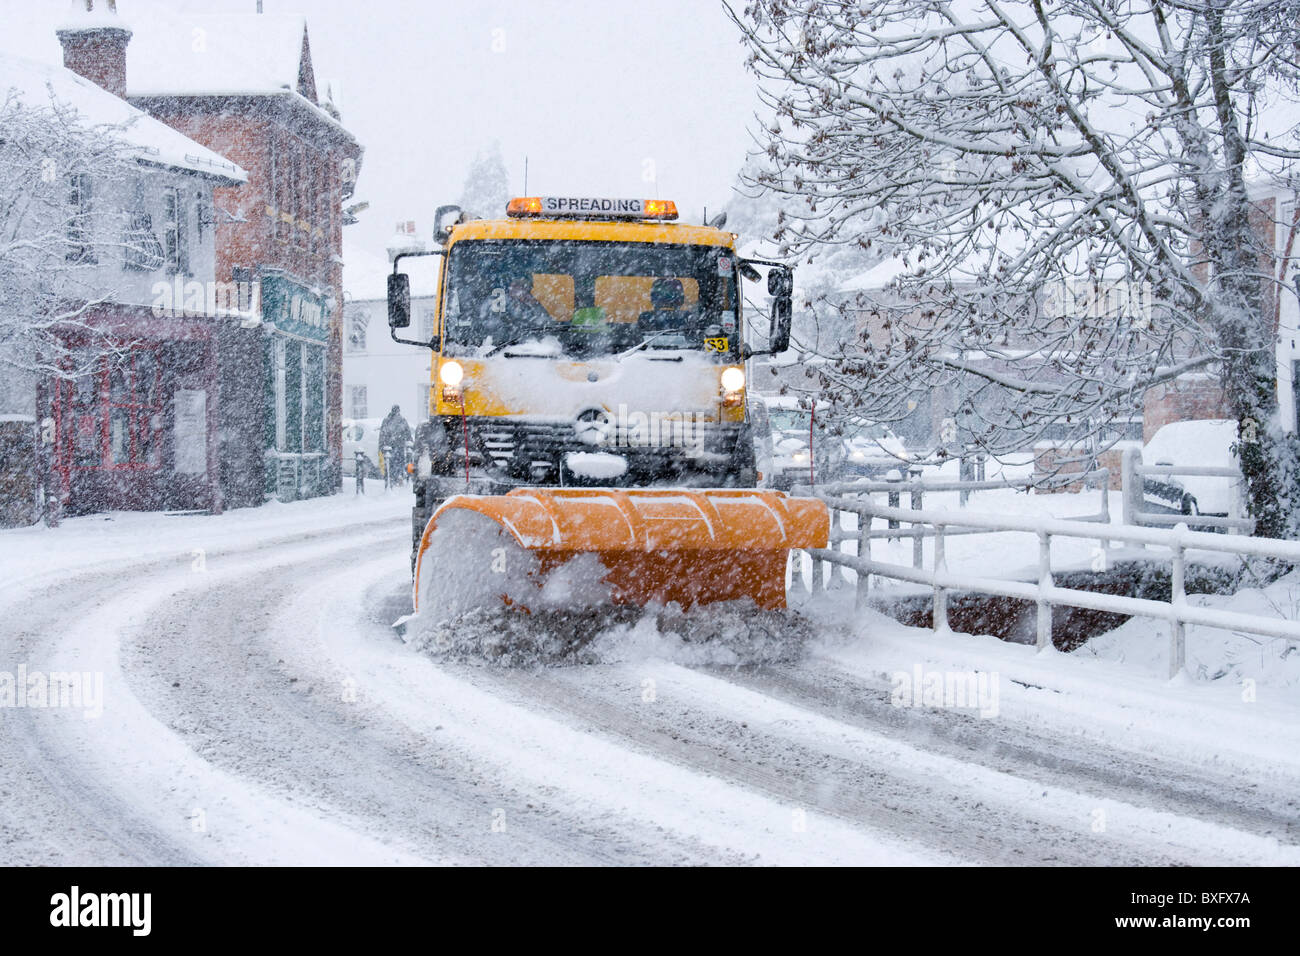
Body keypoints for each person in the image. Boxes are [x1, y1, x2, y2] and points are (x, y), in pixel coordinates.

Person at [378, 405, 412, 487]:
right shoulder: (402, 421)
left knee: (391, 464)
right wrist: (410, 442)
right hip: (399, 446)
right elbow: (408, 433)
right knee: (399, 463)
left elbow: (382, 434)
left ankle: (391, 480)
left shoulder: (387, 421)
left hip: (389, 448)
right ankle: (398, 478)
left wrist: (381, 446)